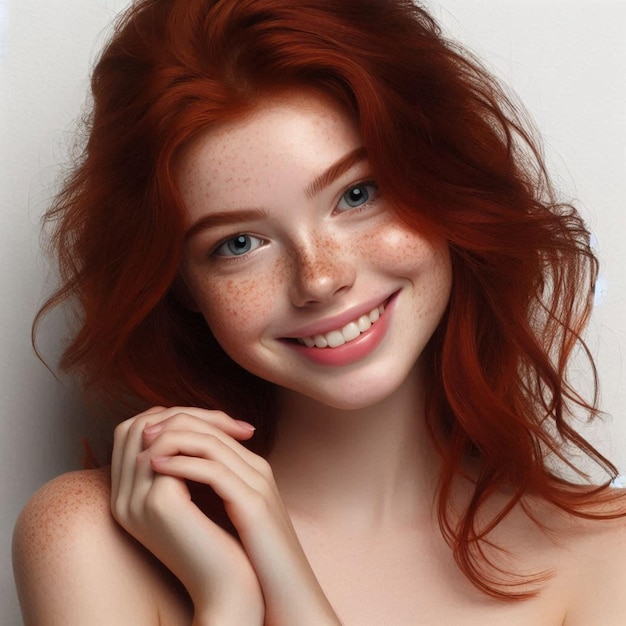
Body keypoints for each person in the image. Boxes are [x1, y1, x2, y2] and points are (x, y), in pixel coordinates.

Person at [12, 0, 626, 624]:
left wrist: (285, 579)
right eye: (238, 244)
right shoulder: (90, 538)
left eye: (357, 195)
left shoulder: (610, 557)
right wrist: (227, 597)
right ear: (181, 288)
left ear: (443, 184)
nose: (321, 278)